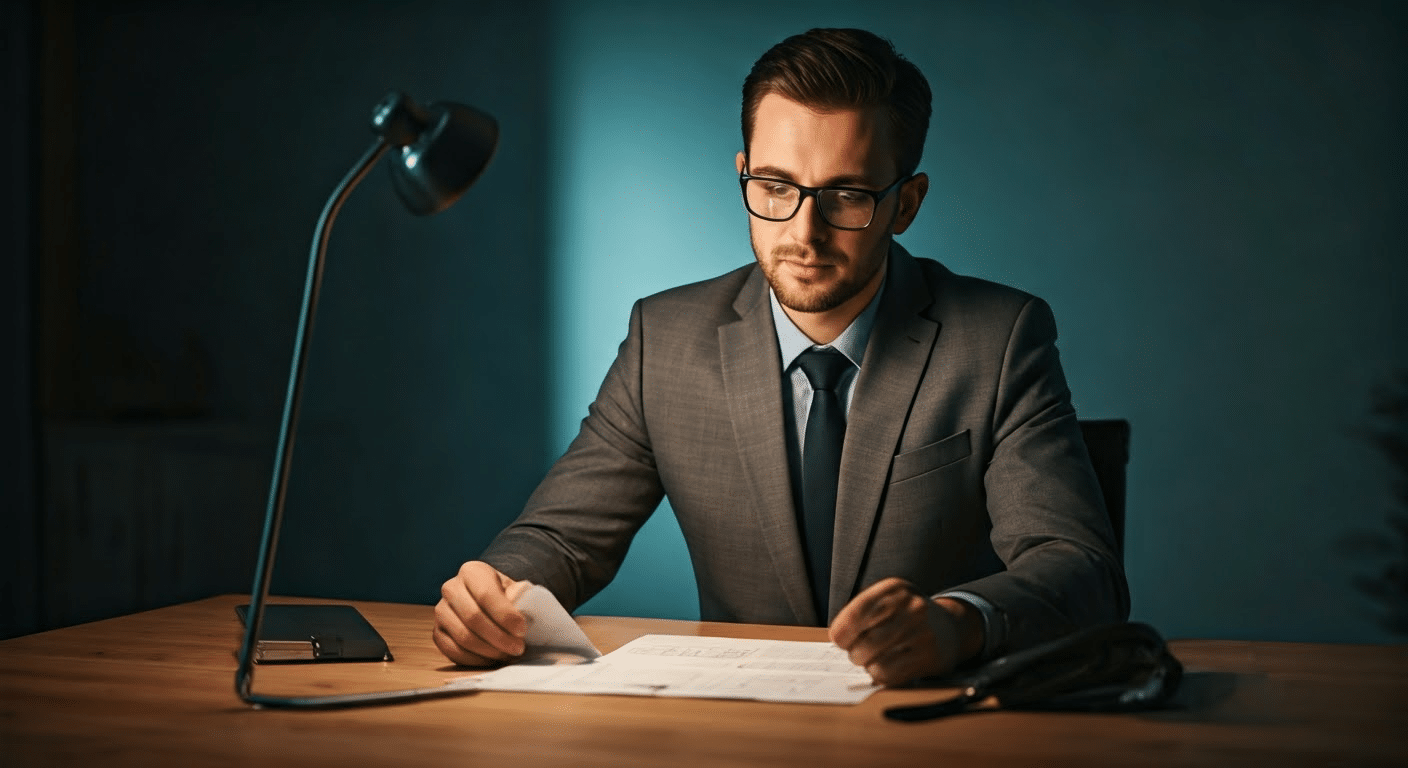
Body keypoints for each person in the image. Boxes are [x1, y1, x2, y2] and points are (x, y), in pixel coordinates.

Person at [434, 28, 1128, 685]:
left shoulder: (1000, 338)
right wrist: (491, 596)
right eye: (774, 187)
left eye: (847, 195)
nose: (804, 231)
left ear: (906, 203)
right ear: (743, 174)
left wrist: (957, 624)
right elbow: (560, 538)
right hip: (739, 730)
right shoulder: (664, 340)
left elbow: (1081, 567)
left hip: (935, 724)